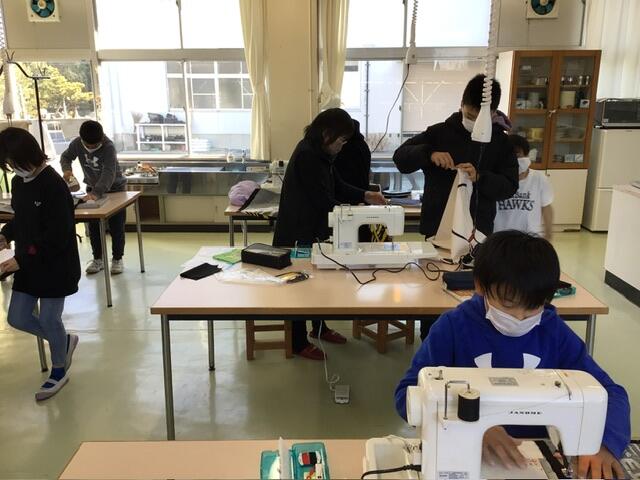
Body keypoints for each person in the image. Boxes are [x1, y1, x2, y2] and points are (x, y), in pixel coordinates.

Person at [395, 231, 630, 479]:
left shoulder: (553, 332)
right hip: (462, 450)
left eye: (533, 306)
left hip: (531, 452)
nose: (520, 317)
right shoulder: (452, 328)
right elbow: (407, 393)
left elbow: (611, 392)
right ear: (480, 286)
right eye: (508, 304)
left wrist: (603, 444)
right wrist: (473, 427)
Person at [393, 74, 519, 340]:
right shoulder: (439, 132)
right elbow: (400, 158)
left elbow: (509, 186)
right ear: (461, 104)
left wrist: (481, 176)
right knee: (432, 295)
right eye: (469, 114)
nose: (472, 120)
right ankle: (431, 343)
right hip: (437, 230)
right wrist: (428, 154)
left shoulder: (500, 143)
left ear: (493, 113)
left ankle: (468, 344)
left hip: (478, 233)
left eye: (479, 116)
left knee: (474, 296)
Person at [273, 108, 386, 360]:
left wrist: (366, 195)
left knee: (318, 283)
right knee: (300, 287)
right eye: (341, 140)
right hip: (298, 232)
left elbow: (338, 186)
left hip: (314, 229)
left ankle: (320, 328)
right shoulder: (307, 155)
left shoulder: (323, 154)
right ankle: (297, 342)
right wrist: (354, 214)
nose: (342, 146)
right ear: (327, 134)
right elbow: (322, 200)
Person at [0, 128, 81, 401]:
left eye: (14, 162)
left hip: (55, 265)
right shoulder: (19, 182)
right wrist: (6, 235)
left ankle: (59, 369)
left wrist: (20, 259)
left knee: (48, 318)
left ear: (29, 155)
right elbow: (22, 218)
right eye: (8, 164)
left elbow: (57, 236)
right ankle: (63, 341)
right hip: (28, 263)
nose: (12, 168)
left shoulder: (53, 185)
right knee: (17, 318)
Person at [60, 120, 127, 275]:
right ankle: (98, 259)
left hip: (115, 189)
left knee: (116, 227)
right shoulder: (77, 144)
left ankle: (117, 259)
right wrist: (67, 170)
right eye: (87, 145)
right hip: (91, 188)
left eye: (94, 145)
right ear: (81, 139)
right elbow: (65, 157)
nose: (91, 148)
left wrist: (96, 193)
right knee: (94, 227)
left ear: (101, 137)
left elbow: (108, 173)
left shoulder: (108, 147)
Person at [493, 135, 553, 240]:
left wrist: (548, 233)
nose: (513, 158)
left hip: (530, 238)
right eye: (508, 154)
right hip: (500, 238)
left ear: (526, 155)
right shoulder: (495, 179)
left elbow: (546, 207)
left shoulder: (539, 178)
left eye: (517, 153)